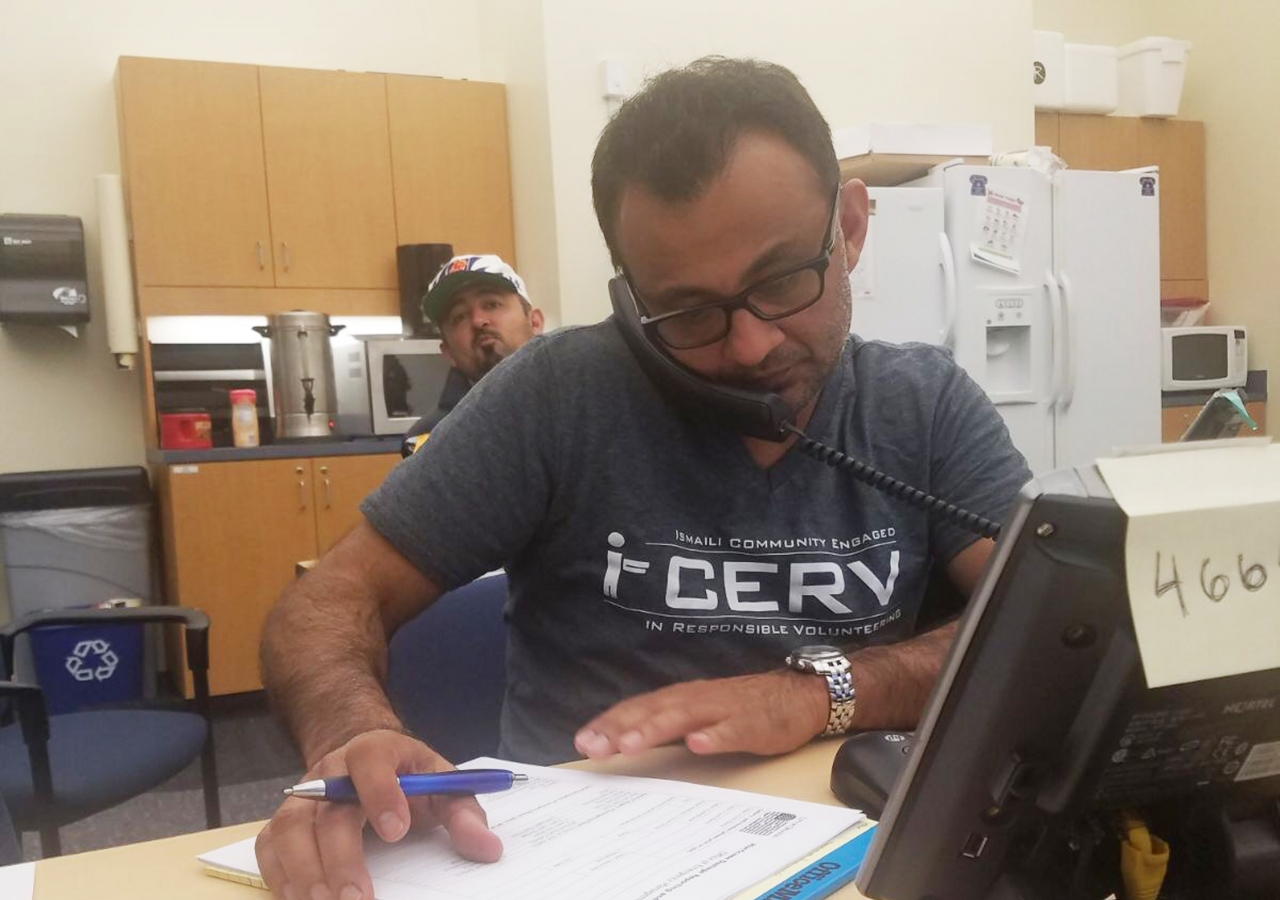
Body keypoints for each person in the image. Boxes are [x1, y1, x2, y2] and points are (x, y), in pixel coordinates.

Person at [256, 56, 1031, 900]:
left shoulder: (923, 404)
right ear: (631, 297)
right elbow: (325, 603)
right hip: (579, 868)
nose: (750, 347)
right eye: (689, 311)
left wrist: (822, 693)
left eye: (781, 280)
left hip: (854, 855)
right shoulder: (557, 394)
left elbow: (1037, 630)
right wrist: (355, 731)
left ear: (848, 226)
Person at [402, 254, 545, 448]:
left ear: (534, 322)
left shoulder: (582, 400)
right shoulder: (430, 441)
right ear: (448, 353)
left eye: (492, 304)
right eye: (459, 316)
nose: (478, 320)